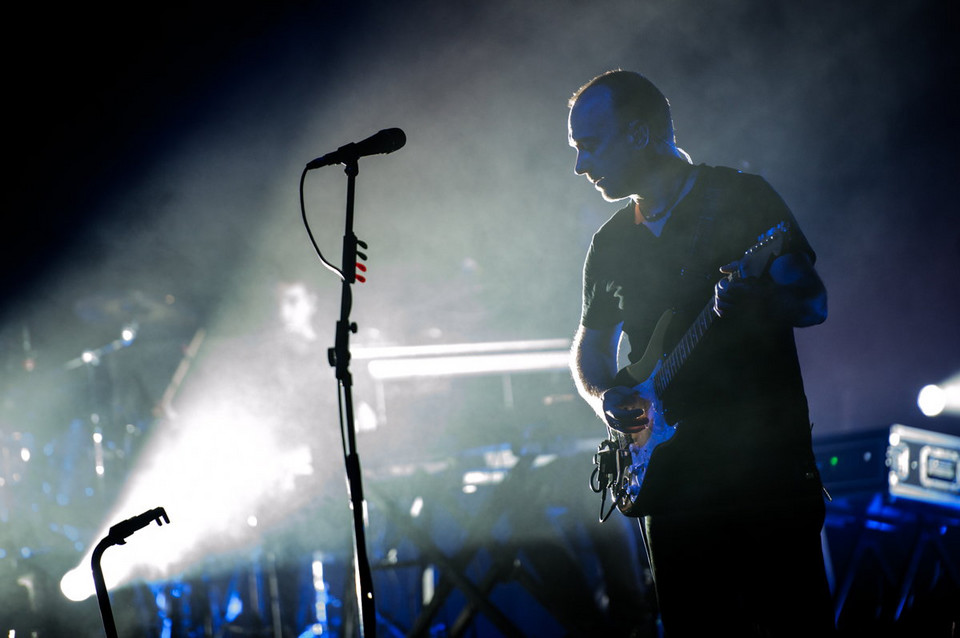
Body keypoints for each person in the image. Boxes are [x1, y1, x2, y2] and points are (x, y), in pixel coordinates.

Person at [567, 69, 836, 636]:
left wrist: (757, 300)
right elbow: (589, 349)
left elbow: (812, 303)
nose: (580, 166)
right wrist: (605, 396)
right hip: (671, 481)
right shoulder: (611, 242)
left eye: (590, 146)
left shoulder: (741, 198)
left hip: (765, 469)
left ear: (639, 134)